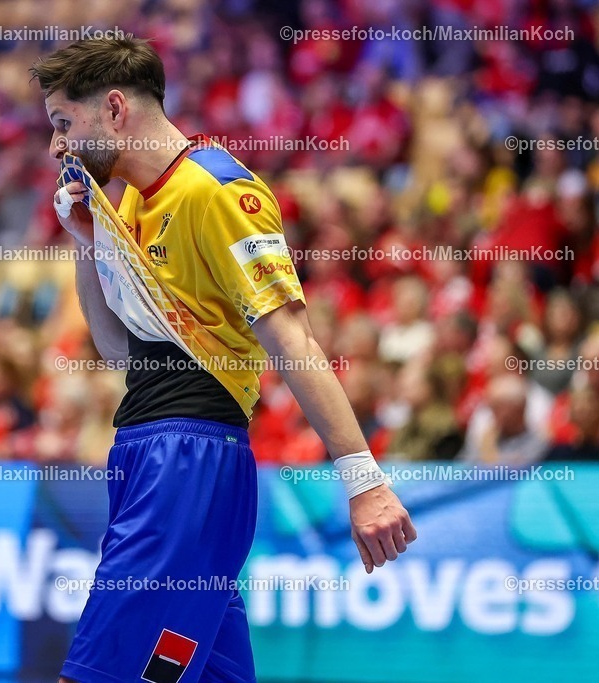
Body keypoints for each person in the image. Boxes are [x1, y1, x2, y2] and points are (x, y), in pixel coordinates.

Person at [31, 37, 416, 683]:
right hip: (141, 450)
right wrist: (86, 241)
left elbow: (293, 340)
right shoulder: (124, 201)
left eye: (64, 124)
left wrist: (364, 480)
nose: (56, 146)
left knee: (97, 675)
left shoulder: (218, 189)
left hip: (188, 460)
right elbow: (121, 348)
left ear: (116, 109)